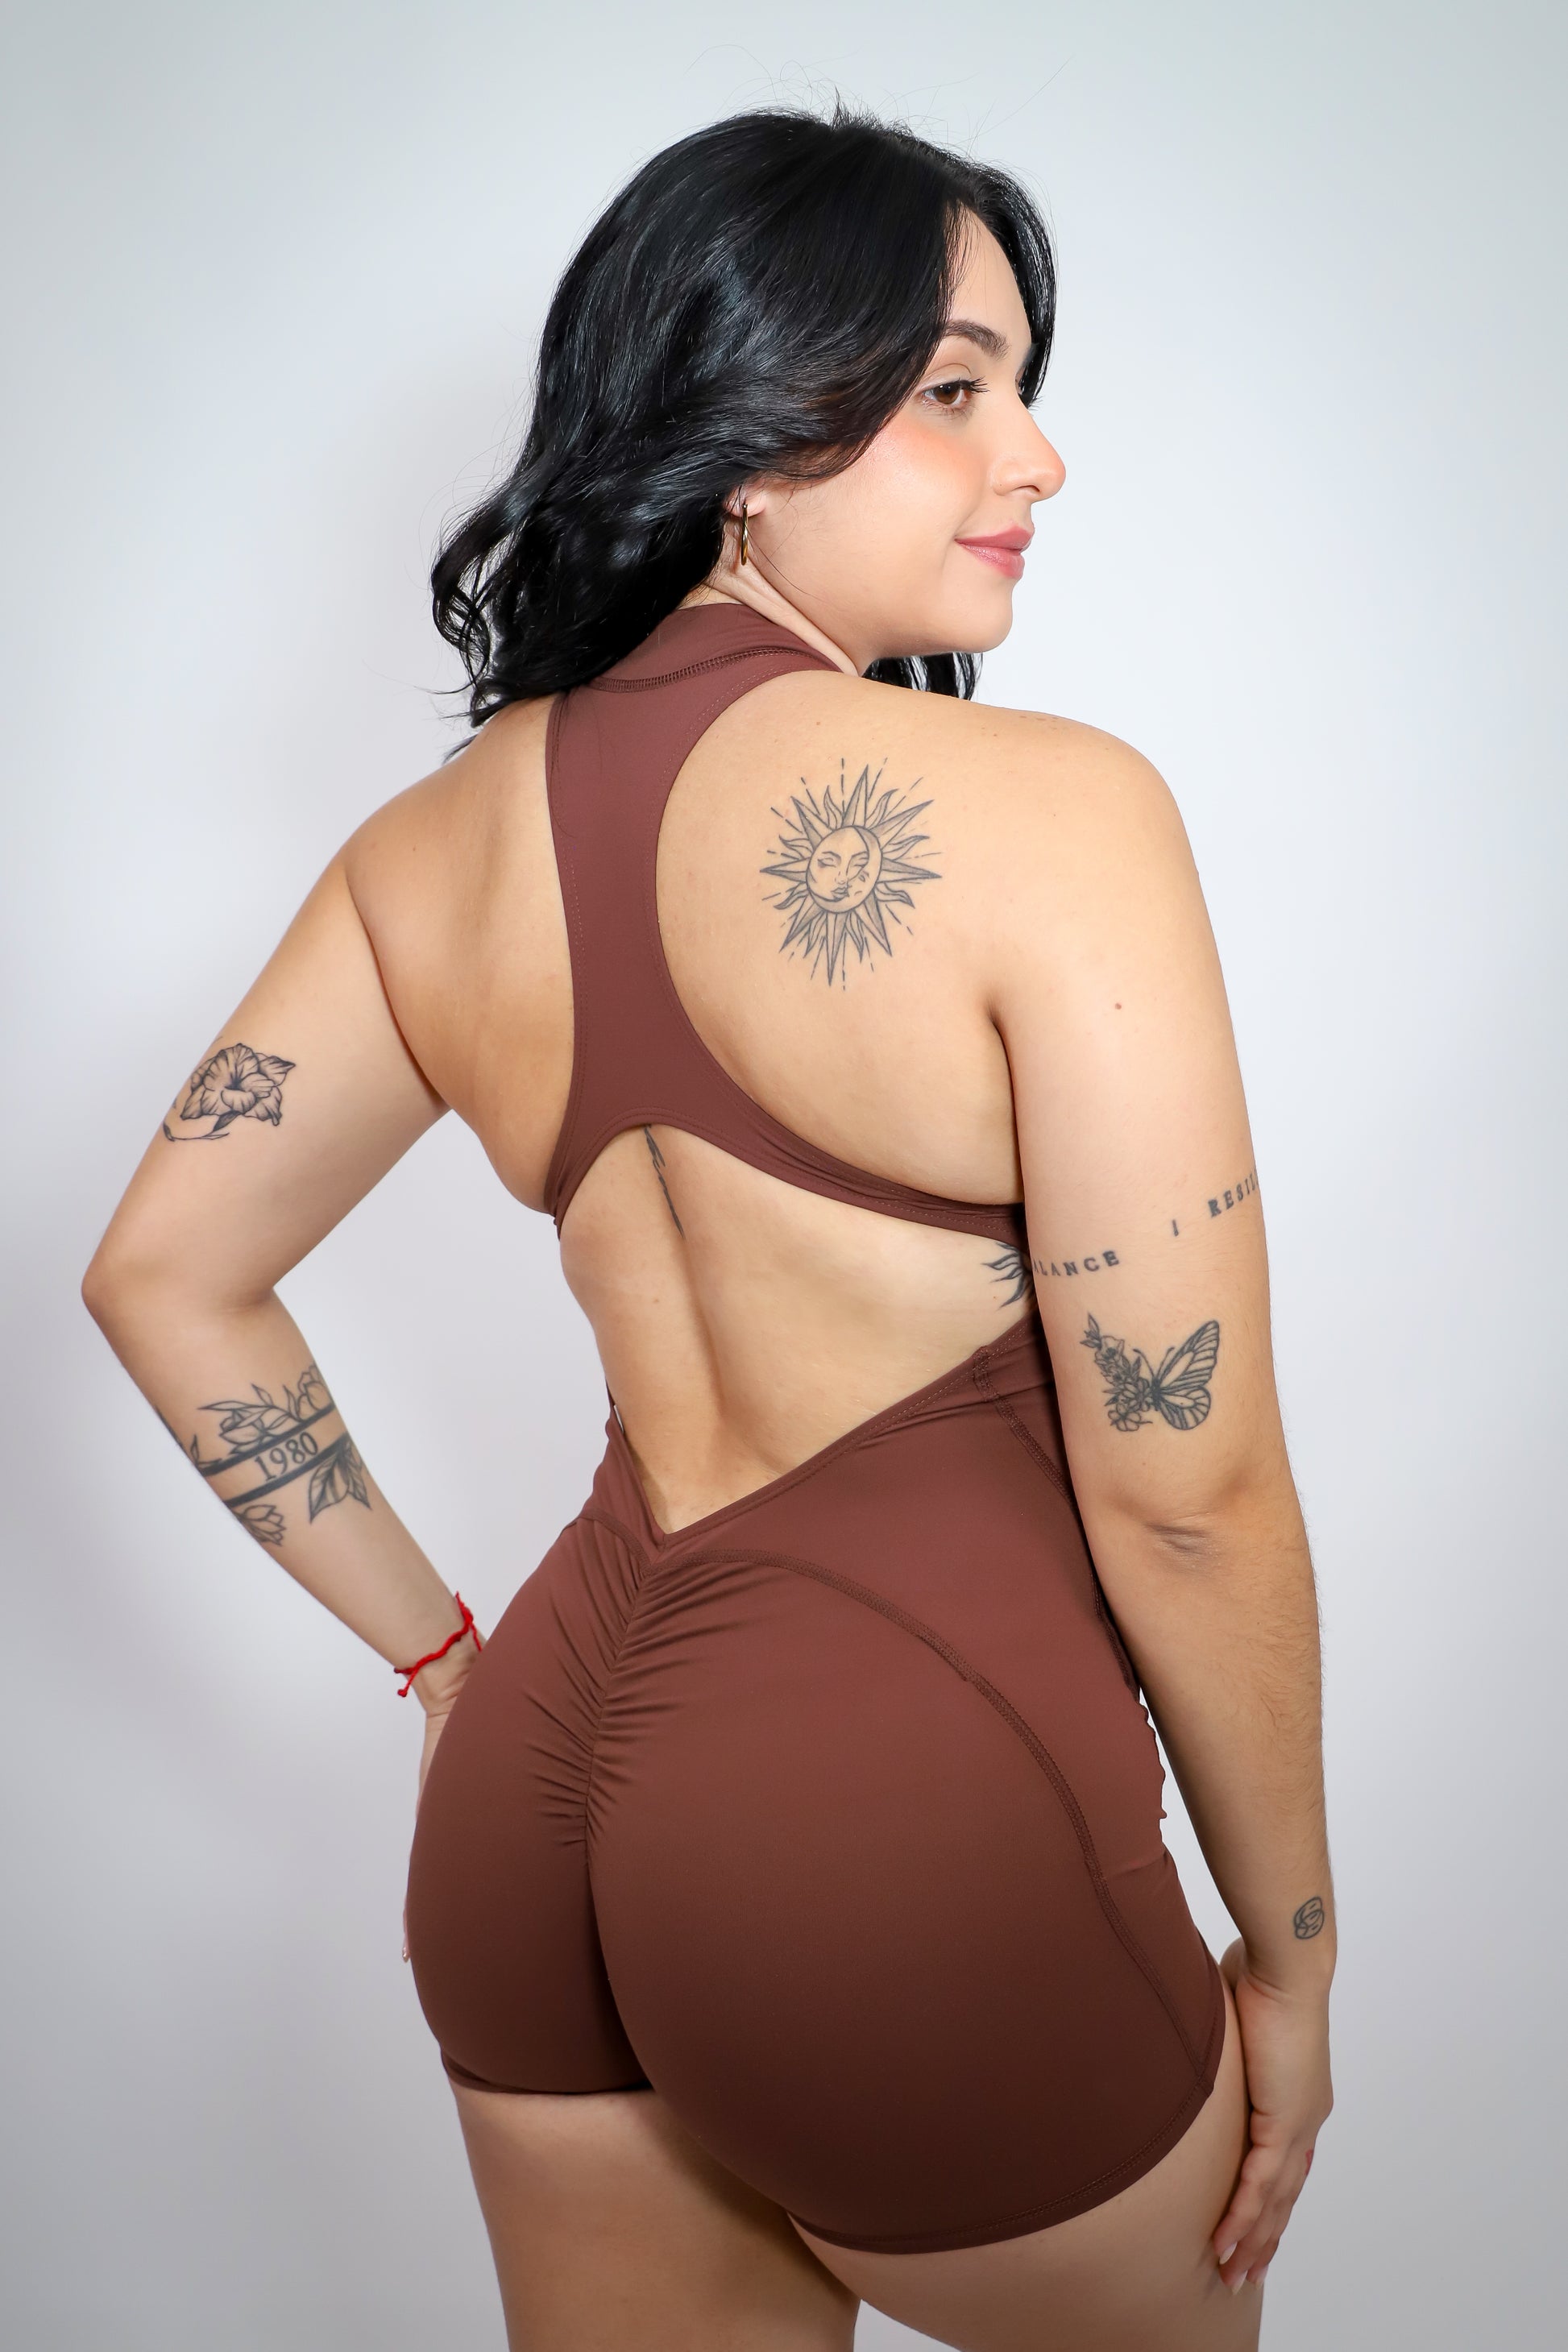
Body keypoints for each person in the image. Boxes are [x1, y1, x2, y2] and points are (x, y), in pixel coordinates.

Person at [83, 103, 1334, 2352]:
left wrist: (448, 1670)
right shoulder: (1053, 815)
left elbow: (162, 1272)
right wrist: (1294, 1952)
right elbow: (1189, 1489)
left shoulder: (429, 855)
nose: (1035, 459)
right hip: (888, 1813)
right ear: (751, 432)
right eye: (953, 389)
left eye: (1023, 390)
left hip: (533, 1814)